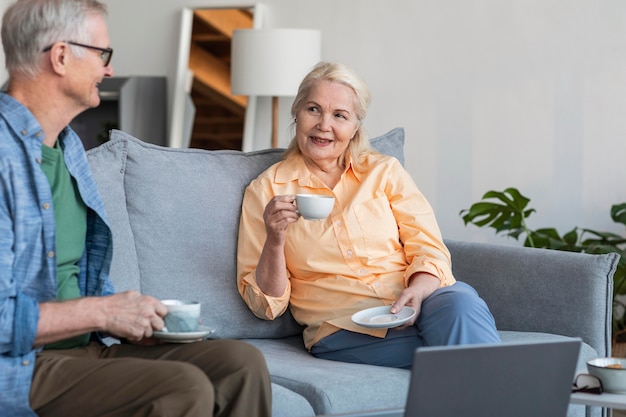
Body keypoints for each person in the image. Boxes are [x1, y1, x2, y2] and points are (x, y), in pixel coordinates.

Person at [0, 1, 272, 416]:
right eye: (102, 54)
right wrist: (106, 312)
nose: (108, 70)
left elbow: (78, 276)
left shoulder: (70, 148)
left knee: (240, 365)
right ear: (60, 56)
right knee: (181, 389)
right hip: (21, 367)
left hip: (85, 349)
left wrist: (135, 320)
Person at [237, 61, 501, 370]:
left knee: (462, 302)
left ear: (355, 127)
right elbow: (266, 306)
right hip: (344, 328)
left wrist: (417, 290)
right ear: (296, 114)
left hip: (418, 302)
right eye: (313, 109)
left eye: (339, 115)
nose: (324, 125)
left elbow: (428, 246)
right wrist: (275, 238)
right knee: (455, 359)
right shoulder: (266, 190)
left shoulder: (383, 171)